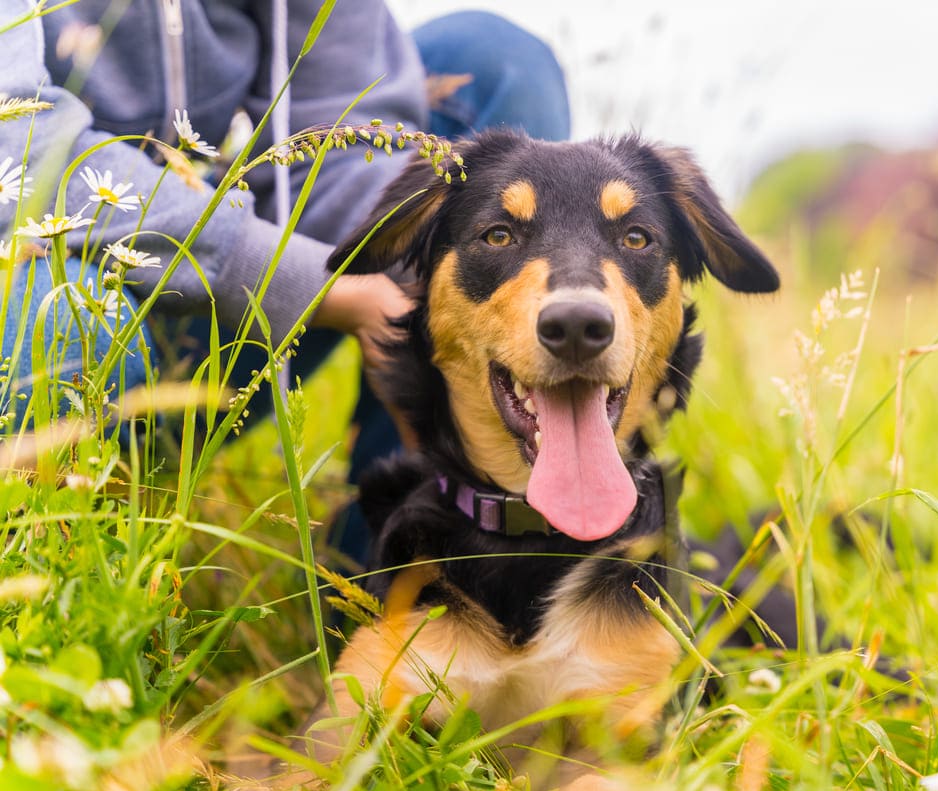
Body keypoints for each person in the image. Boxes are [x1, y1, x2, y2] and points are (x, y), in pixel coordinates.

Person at [0, 1, 570, 563]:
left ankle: (407, 569)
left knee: (496, 65)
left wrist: (427, 296)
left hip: (214, 313)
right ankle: (44, 602)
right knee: (61, 324)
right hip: (47, 291)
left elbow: (340, 146)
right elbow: (19, 147)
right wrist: (315, 288)